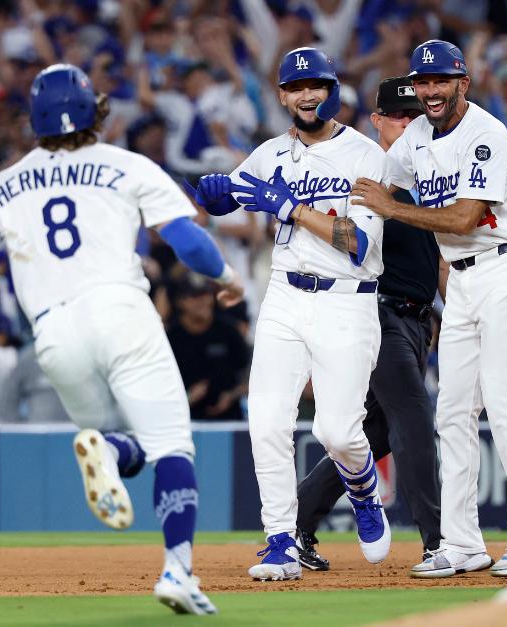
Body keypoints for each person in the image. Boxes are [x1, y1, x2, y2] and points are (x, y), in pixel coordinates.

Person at [0, 64, 244, 615]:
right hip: (121, 311)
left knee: (122, 441)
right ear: (92, 108)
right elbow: (188, 243)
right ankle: (178, 569)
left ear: (35, 119)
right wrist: (225, 279)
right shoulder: (126, 164)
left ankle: (111, 446)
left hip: (53, 334)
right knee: (172, 444)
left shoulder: (3, 183)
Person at [353, 40, 507, 578]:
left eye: (440, 81)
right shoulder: (416, 134)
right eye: (422, 82)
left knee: (503, 397)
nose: (430, 91)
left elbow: (465, 217)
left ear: (462, 83)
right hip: (462, 283)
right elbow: (375, 181)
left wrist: (390, 206)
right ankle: (463, 543)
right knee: (452, 411)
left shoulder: (487, 134)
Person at [190, 47, 389, 581]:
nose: (307, 96)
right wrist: (214, 198)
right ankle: (280, 541)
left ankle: (365, 488)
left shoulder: (364, 156)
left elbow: (360, 243)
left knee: (338, 432)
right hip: (284, 295)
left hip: (347, 297)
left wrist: (290, 208)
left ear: (333, 90)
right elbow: (232, 195)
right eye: (297, 88)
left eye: (317, 86)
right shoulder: (270, 153)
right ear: (282, 96)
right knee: (267, 420)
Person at [293, 76, 443, 571]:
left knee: (374, 433)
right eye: (398, 116)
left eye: (414, 116)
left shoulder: (428, 171)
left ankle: (297, 523)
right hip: (377, 313)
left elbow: (436, 256)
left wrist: (439, 310)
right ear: (377, 120)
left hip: (415, 318)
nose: (408, 123)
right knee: (414, 418)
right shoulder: (365, 174)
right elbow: (346, 245)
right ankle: (437, 542)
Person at [168, 275, 250, 421]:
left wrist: (231, 395)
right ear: (180, 301)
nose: (202, 301)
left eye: (206, 294)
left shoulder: (228, 331)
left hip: (229, 418)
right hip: (184, 419)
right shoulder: (171, 337)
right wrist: (186, 398)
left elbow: (251, 375)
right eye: (194, 296)